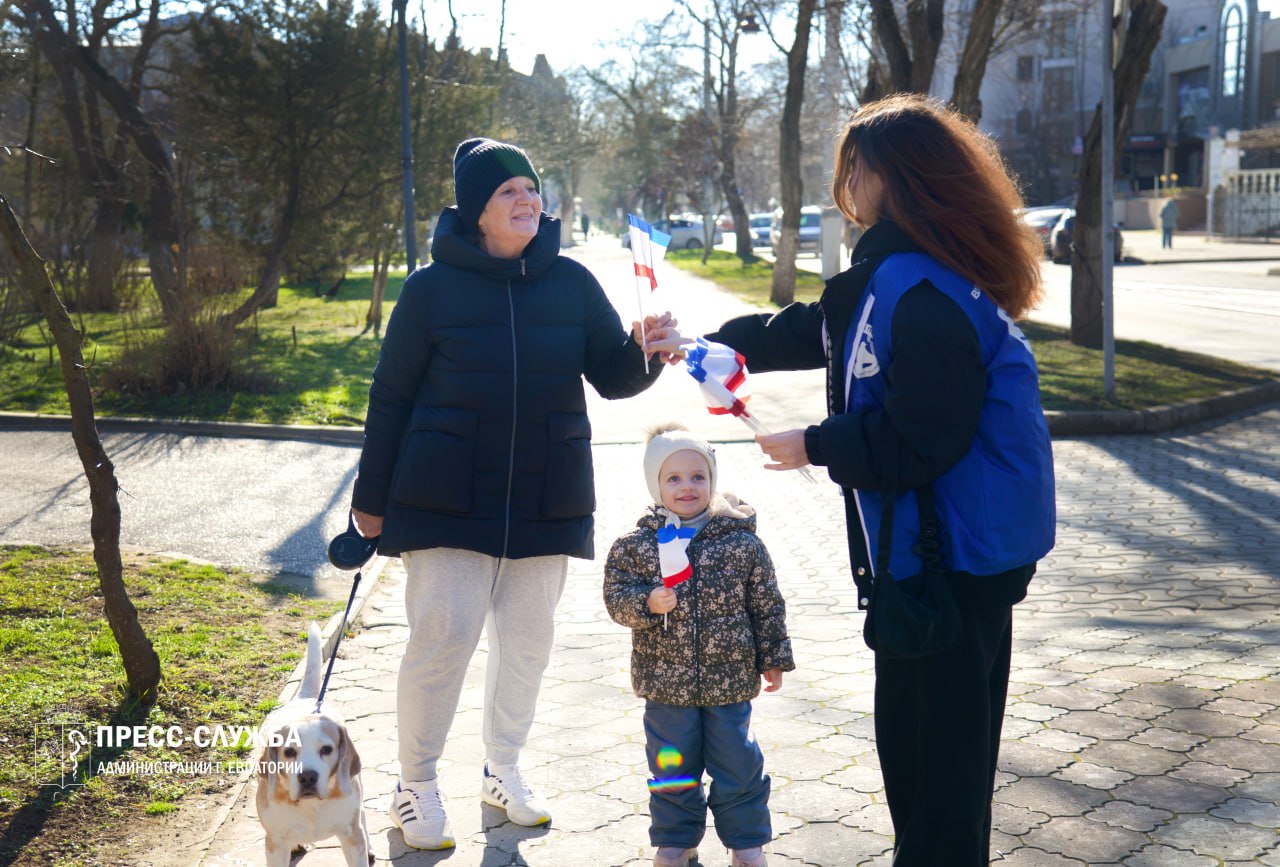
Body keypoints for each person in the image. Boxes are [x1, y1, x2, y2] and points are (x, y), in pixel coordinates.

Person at [647, 94, 1056, 865]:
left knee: (937, 780)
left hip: (949, 569)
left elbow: (923, 437)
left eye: (852, 169)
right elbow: (803, 331)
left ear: (885, 177)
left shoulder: (922, 288)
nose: (846, 185)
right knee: (931, 770)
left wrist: (813, 441)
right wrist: (695, 346)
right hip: (944, 564)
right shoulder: (903, 275)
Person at [349, 136, 678, 851]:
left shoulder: (571, 282)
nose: (528, 199)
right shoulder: (429, 290)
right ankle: (416, 782)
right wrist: (370, 501)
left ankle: (503, 770)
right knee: (443, 642)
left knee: (527, 646)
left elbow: (614, 375)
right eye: (509, 191)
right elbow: (390, 397)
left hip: (544, 497)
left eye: (532, 187)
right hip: (444, 500)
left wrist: (647, 351)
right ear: (476, 211)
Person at [604, 424, 794, 867]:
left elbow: (766, 602)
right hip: (665, 685)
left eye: (697, 476)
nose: (687, 487)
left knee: (738, 765)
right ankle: (676, 841)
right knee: (671, 768)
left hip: (729, 680)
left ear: (711, 479)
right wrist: (646, 602)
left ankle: (746, 843)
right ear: (656, 484)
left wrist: (774, 657)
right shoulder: (636, 547)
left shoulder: (741, 543)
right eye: (673, 478)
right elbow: (616, 599)